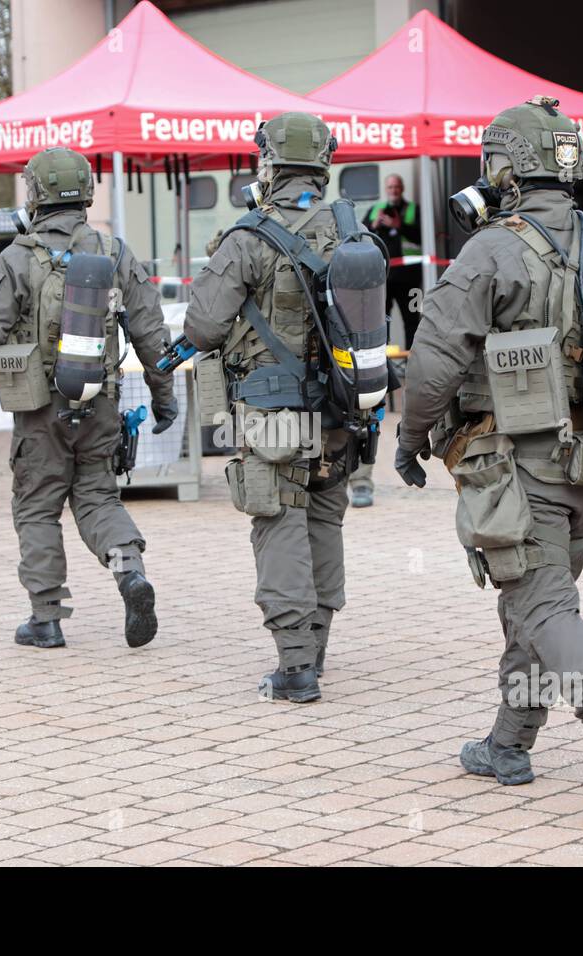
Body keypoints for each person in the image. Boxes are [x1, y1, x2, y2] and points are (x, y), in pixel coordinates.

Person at [394, 96, 583, 828]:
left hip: (521, 471)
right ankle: (508, 744)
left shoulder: (492, 248)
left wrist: (408, 439)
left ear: (508, 168)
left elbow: (432, 363)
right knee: (532, 603)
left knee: (542, 606)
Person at [184, 112, 376, 702]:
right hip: (342, 406)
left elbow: (202, 325)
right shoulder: (353, 232)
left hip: (273, 409)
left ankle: (295, 668)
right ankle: (316, 646)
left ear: (267, 163)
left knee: (280, 520)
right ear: (322, 163)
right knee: (324, 518)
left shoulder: (248, 236)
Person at [0, 147, 178, 650]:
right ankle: (130, 575)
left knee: (37, 506)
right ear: (87, 192)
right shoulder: (114, 252)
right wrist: (164, 399)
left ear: (36, 195)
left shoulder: (16, 258)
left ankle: (46, 617)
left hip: (38, 410)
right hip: (99, 402)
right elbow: (151, 333)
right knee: (97, 496)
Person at [363, 174, 423, 347]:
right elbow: (360, 234)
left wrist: (399, 226)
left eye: (396, 186)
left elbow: (422, 235)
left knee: (413, 320)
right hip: (383, 278)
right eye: (390, 187)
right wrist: (374, 225)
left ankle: (413, 364)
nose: (393, 190)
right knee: (381, 321)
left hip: (410, 278)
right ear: (386, 189)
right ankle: (385, 366)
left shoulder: (414, 209)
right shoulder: (376, 209)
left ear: (402, 188)